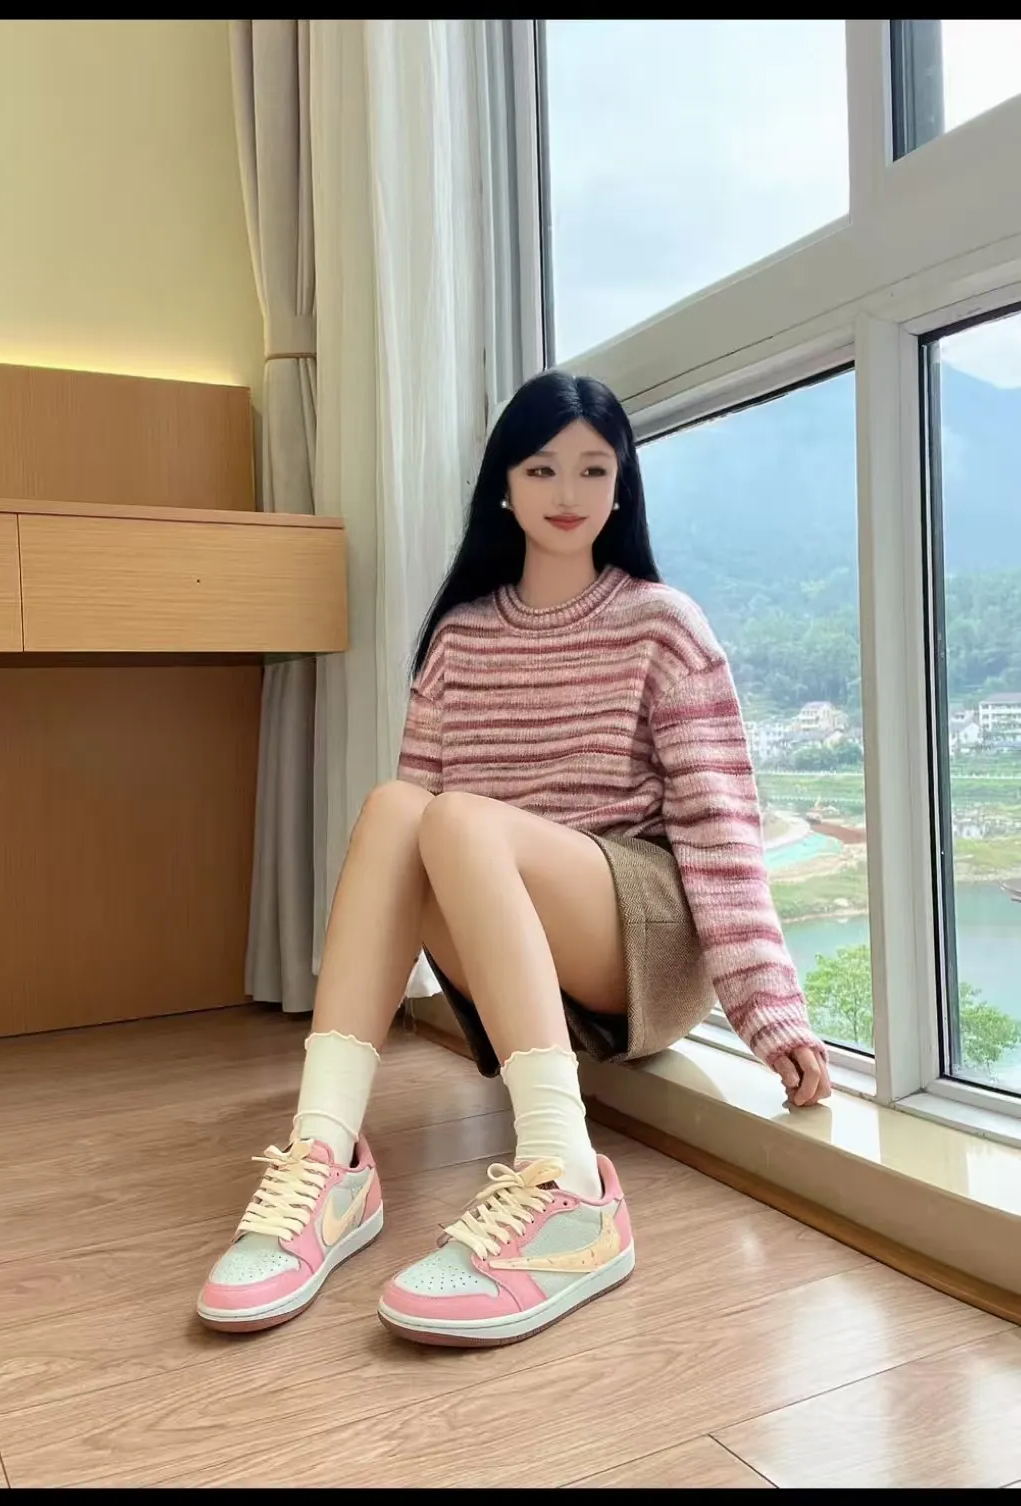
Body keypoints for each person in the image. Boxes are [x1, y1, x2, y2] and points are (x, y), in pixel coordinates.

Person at [195, 369, 831, 1346]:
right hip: (517, 960)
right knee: (400, 808)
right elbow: (405, 853)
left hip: (642, 938)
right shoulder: (458, 641)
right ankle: (326, 1156)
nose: (567, 491)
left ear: (621, 488)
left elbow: (720, 829)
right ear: (503, 485)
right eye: (541, 468)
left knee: (453, 818)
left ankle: (568, 1184)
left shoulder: (662, 625)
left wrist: (767, 1006)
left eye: (592, 469)